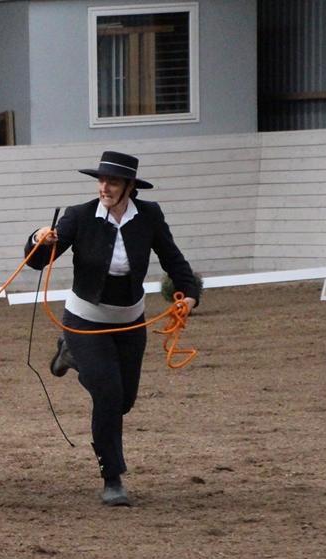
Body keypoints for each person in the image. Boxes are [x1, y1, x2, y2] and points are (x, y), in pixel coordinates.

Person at [26, 151, 200, 507]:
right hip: (85, 320)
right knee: (106, 393)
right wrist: (37, 239)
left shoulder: (149, 216)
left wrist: (191, 296)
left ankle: (69, 355)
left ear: (129, 187)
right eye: (101, 180)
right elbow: (37, 262)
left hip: (130, 322)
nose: (104, 187)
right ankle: (112, 477)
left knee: (123, 401)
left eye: (114, 181)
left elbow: (173, 259)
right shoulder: (79, 216)